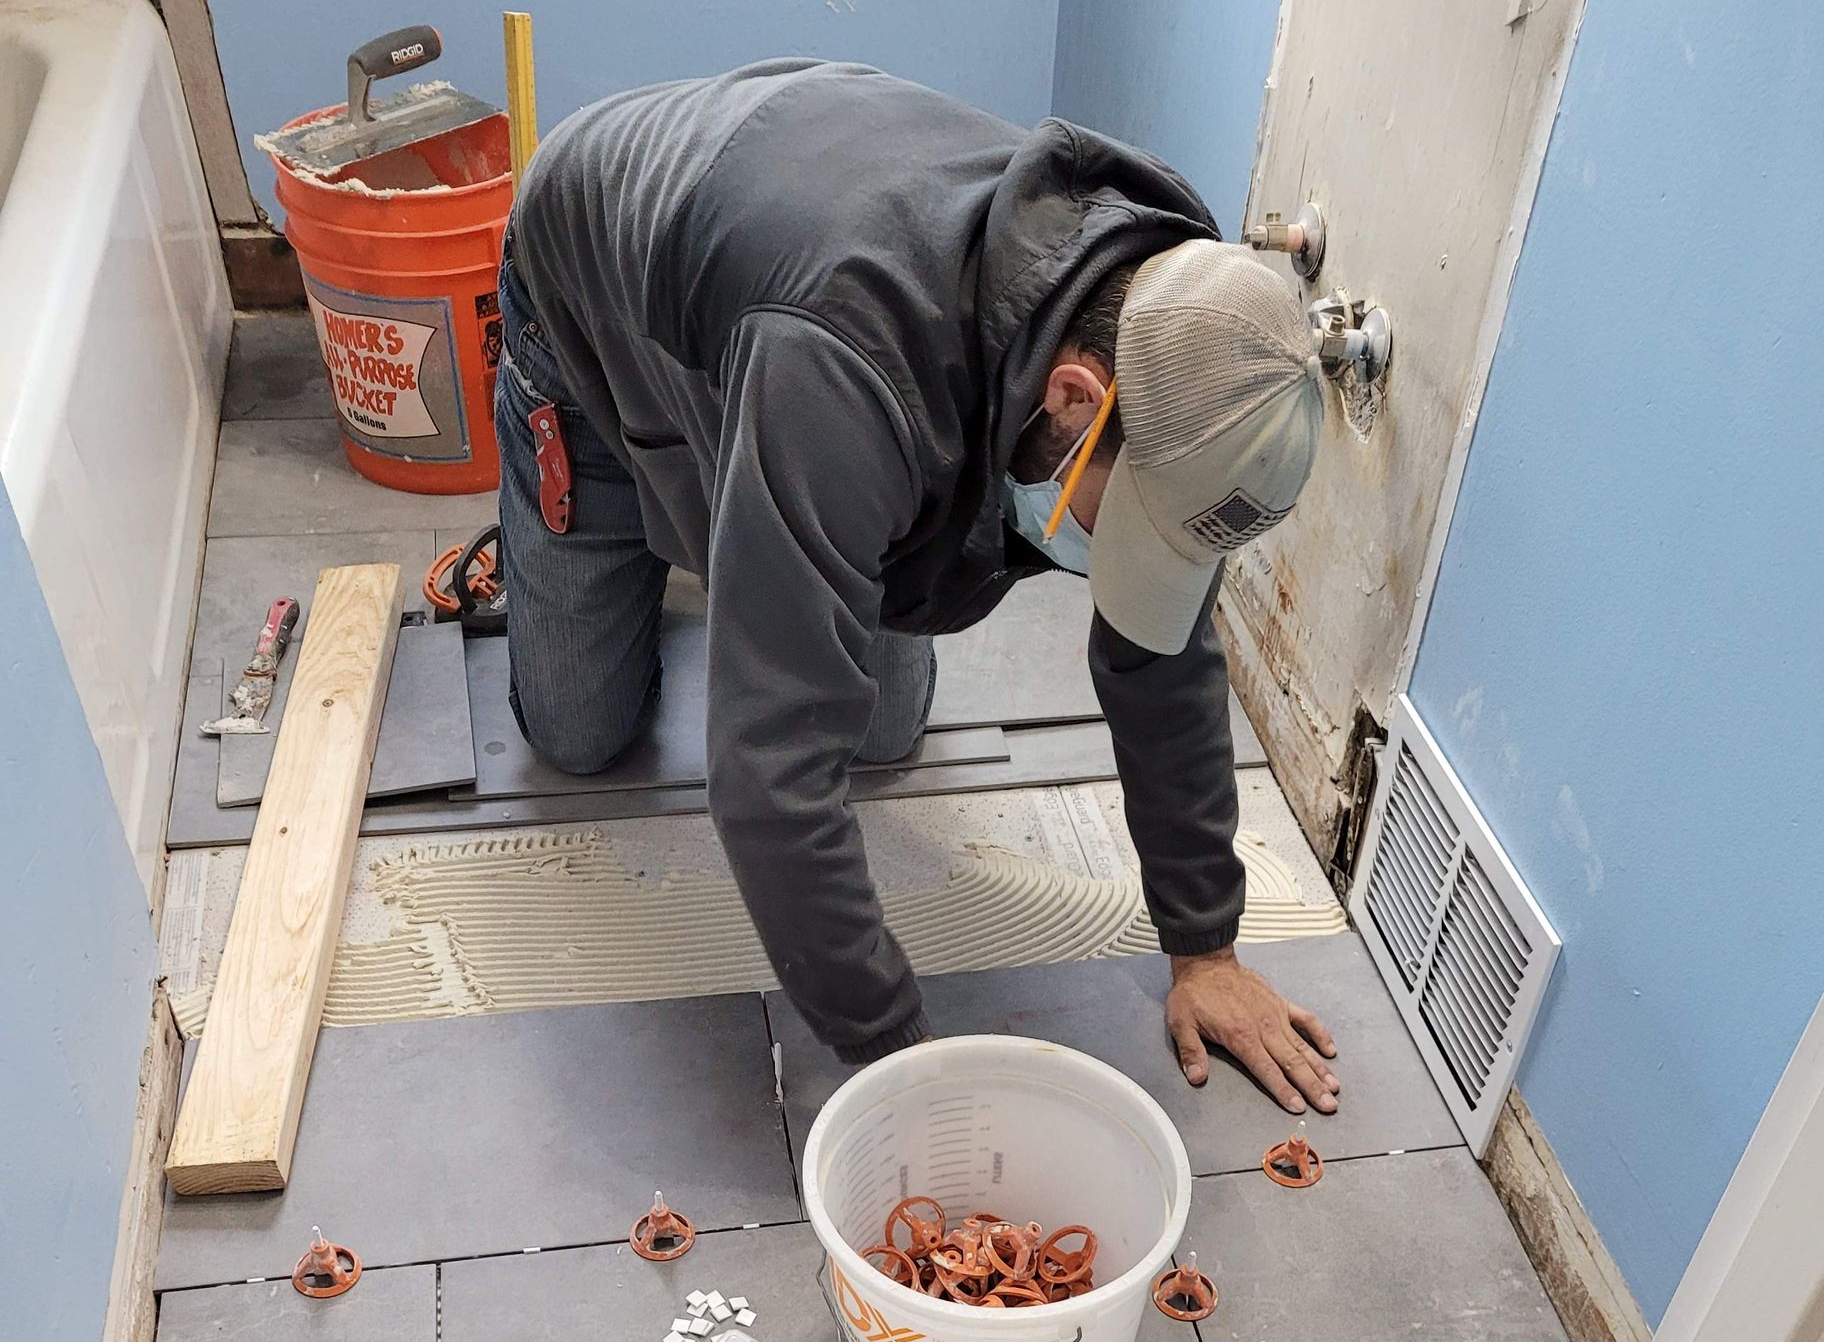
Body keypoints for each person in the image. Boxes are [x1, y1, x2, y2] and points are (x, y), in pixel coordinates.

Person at [495, 59, 1340, 1115]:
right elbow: (768, 780)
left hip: (788, 302)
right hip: (594, 314)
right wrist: (900, 1058)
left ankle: (762, 528)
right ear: (1074, 399)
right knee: (579, 732)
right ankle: (685, 518)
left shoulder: (1188, 339)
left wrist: (1205, 943)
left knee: (883, 731)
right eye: (1121, 524)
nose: (1119, 551)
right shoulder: (841, 369)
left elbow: (1162, 653)